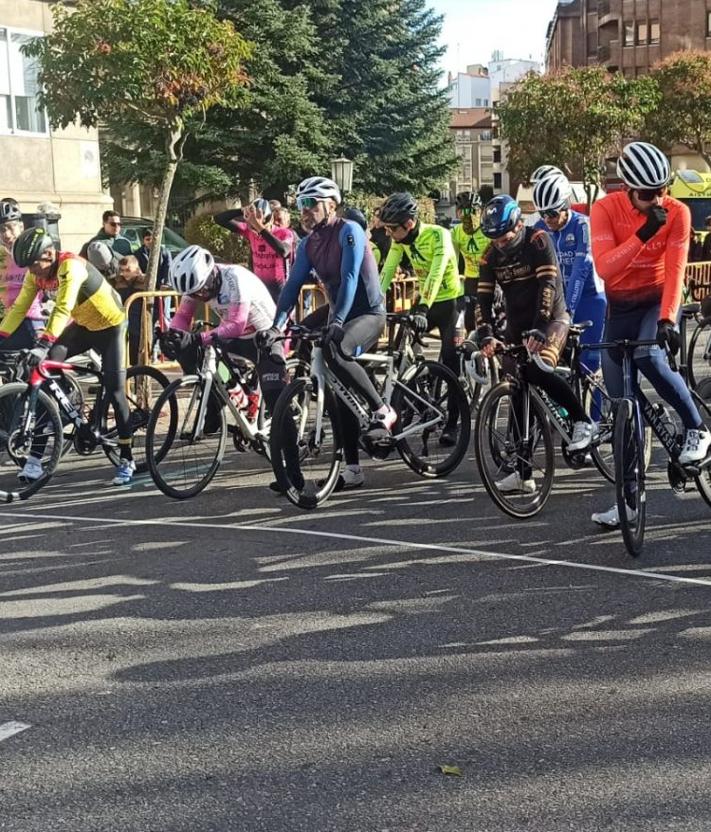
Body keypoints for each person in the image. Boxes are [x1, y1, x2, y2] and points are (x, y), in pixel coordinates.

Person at [590, 141, 711, 527]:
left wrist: (668, 320)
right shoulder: (604, 209)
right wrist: (643, 234)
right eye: (647, 194)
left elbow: (676, 269)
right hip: (619, 308)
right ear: (628, 188)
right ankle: (627, 503)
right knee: (622, 410)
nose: (658, 198)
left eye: (663, 188)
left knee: (649, 357)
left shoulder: (678, 211)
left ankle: (697, 429)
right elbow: (607, 269)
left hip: (655, 302)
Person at [258, 175, 392, 492]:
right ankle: (353, 469)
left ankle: (382, 410)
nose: (304, 211)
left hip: (368, 314)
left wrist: (337, 320)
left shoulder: (350, 231)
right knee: (333, 387)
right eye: (300, 204)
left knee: (336, 349)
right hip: (339, 313)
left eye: (311, 204)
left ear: (331, 205)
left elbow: (347, 279)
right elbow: (291, 288)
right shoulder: (308, 244)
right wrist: (277, 327)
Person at [474, 195, 594, 493]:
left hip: (552, 318)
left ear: (517, 225)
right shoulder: (490, 255)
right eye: (494, 239)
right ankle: (523, 472)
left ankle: (582, 420)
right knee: (517, 390)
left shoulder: (538, 240)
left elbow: (548, 286)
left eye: (504, 237)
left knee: (539, 369)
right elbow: (483, 300)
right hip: (517, 325)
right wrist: (486, 333)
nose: (500, 243)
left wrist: (541, 328)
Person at [0, 227, 134, 485]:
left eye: (34, 264)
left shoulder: (70, 266)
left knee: (115, 391)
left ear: (49, 254)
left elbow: (63, 308)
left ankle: (127, 458)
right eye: (27, 267)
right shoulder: (35, 274)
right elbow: (19, 308)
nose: (32, 271)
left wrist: (44, 341)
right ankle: (36, 459)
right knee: (42, 374)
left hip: (111, 325)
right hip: (84, 326)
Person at [160, 245, 286, 431]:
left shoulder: (235, 278)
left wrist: (197, 339)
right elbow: (183, 317)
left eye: (201, 290)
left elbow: (237, 324)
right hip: (235, 337)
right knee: (195, 355)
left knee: (276, 401)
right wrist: (173, 336)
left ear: (211, 274)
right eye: (194, 294)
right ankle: (216, 406)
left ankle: (288, 444)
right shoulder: (196, 284)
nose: (199, 296)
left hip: (264, 336)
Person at [378, 192, 463, 445]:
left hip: (450, 303)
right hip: (425, 301)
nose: (389, 232)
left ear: (410, 223)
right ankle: (414, 397)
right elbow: (387, 270)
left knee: (450, 361)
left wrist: (423, 307)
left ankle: (453, 424)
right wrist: (373, 302)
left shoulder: (439, 235)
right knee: (403, 352)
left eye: (393, 228)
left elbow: (436, 272)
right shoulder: (400, 241)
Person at [532, 174, 607, 395]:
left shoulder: (582, 225)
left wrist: (569, 311)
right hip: (560, 300)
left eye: (552, 213)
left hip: (590, 299)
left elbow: (580, 270)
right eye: (542, 213)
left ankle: (594, 422)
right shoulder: (539, 228)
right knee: (552, 362)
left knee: (588, 365)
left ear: (566, 205)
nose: (548, 219)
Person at [214, 198, 293, 303]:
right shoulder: (249, 231)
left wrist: (259, 228)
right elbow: (219, 219)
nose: (256, 232)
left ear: (270, 220)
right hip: (259, 286)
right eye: (253, 227)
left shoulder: (284, 233)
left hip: (279, 287)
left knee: (280, 319)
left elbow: (283, 251)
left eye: (259, 225)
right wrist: (242, 210)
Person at [0, 200, 45, 350]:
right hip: (8, 317)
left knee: (38, 358)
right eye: (1, 230)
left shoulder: (32, 251)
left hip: (30, 316)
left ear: (21, 226)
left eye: (10, 227)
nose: (6, 234)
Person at [451, 191, 489, 332]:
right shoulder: (456, 232)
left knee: (489, 319)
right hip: (470, 280)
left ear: (481, 211)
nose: (468, 215)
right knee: (469, 322)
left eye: (473, 211)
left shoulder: (488, 229)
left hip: (489, 279)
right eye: (464, 212)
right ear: (458, 213)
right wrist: (459, 292)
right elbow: (453, 264)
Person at [114, 255, 147, 365]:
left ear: (137, 270)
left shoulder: (145, 282)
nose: (124, 273)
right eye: (122, 270)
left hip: (139, 321)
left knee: (138, 350)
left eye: (128, 270)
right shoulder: (117, 282)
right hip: (122, 320)